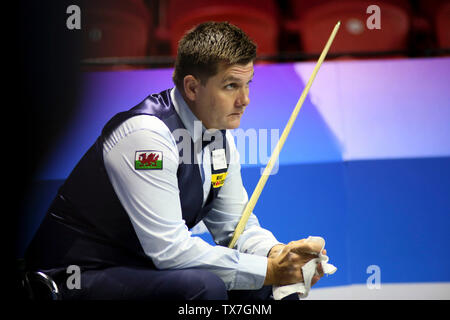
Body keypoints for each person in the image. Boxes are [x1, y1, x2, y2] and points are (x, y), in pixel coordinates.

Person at [25, 21, 325, 300]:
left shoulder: (219, 136)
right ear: (193, 87)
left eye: (248, 84)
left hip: (141, 268)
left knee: (274, 287)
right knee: (204, 288)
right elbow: (170, 250)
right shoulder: (145, 137)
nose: (245, 99)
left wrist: (279, 255)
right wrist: (268, 270)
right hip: (74, 276)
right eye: (231, 86)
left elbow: (236, 229)